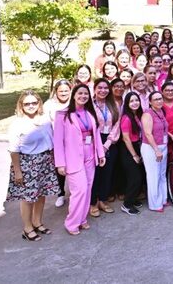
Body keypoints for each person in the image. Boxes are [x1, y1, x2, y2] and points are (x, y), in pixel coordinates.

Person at [53, 84, 106, 235]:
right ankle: (71, 223)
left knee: (88, 188)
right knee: (79, 190)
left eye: (86, 94)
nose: (83, 96)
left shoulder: (90, 113)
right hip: (73, 158)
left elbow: (96, 135)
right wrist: (60, 163)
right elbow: (57, 141)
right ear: (74, 95)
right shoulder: (62, 115)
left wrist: (100, 154)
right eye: (80, 93)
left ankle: (82, 219)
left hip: (90, 155)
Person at [6, 90, 59, 241]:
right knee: (28, 198)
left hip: (45, 161)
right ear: (21, 105)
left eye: (34, 103)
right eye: (27, 103)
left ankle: (37, 222)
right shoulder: (17, 123)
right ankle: (27, 227)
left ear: (39, 103)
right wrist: (18, 171)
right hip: (28, 163)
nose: (31, 106)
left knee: (41, 194)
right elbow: (14, 149)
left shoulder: (44, 119)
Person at [89, 78, 120, 217]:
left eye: (106, 88)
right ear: (95, 89)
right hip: (93, 141)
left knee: (108, 173)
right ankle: (93, 203)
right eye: (100, 88)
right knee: (95, 174)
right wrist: (99, 145)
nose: (103, 90)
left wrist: (107, 144)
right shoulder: (89, 105)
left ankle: (102, 200)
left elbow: (117, 125)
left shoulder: (113, 105)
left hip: (109, 142)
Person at [42, 79, 72, 208]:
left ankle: (74, 193)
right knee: (59, 168)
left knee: (74, 168)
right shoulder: (49, 105)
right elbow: (45, 125)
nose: (64, 93)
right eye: (61, 91)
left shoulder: (74, 102)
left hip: (73, 142)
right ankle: (60, 193)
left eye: (66, 91)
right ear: (56, 91)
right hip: (56, 142)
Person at [118, 93, 144, 215]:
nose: (134, 103)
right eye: (131, 101)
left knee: (137, 176)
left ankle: (133, 199)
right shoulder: (126, 118)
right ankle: (127, 204)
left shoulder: (138, 115)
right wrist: (134, 155)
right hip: (128, 149)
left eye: (136, 100)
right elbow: (126, 139)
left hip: (137, 146)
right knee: (135, 178)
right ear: (127, 104)